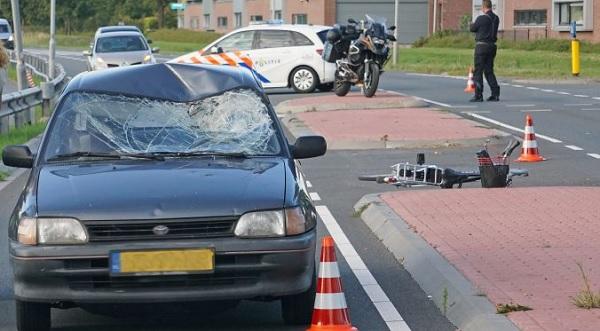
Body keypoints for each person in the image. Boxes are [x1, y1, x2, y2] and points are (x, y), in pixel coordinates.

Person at [469, 0, 500, 102]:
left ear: (483, 7)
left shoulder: (481, 18)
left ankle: (478, 95)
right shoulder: (496, 18)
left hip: (481, 47)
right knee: (489, 71)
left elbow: (473, 28)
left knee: (478, 71)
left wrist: (471, 24)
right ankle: (495, 94)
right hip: (492, 46)